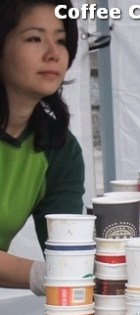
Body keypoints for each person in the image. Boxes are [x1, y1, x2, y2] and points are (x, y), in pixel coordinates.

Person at [0, 0, 85, 296]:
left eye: (61, 41)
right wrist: (41, 274)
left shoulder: (59, 149)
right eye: (34, 38)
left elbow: (67, 248)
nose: (53, 54)